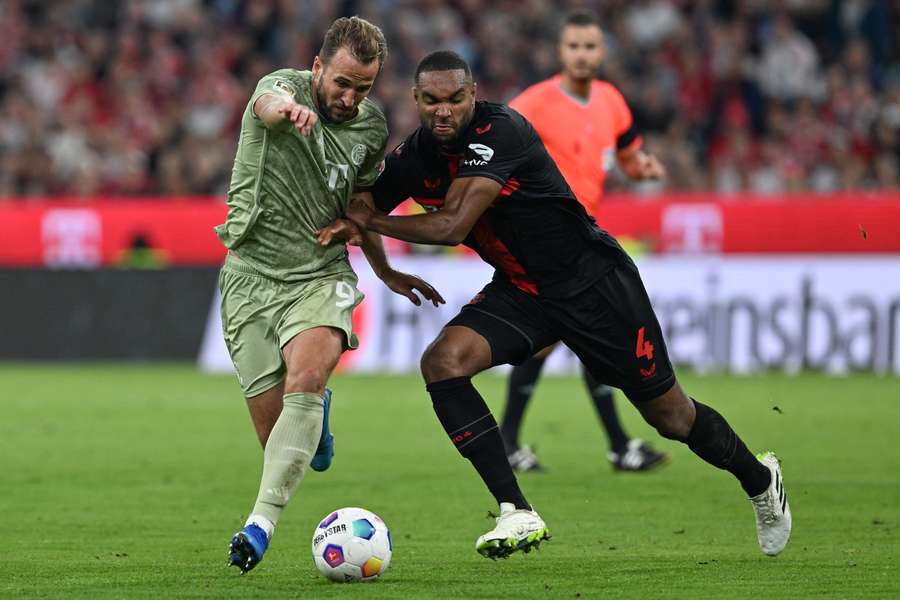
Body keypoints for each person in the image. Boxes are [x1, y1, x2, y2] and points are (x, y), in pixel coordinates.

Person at [327, 50, 791, 559]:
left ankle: (759, 478)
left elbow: (451, 224)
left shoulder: (500, 132)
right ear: (415, 99)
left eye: (455, 99)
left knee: (672, 418)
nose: (444, 111)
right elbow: (362, 208)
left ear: (473, 95)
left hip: (594, 283)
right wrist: (384, 268)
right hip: (524, 291)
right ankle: (516, 510)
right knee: (443, 362)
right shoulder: (414, 158)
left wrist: (371, 224)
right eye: (432, 100)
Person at [217, 17, 443, 573]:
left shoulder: (370, 126)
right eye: (341, 83)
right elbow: (268, 103)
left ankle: (259, 525)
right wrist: (288, 113)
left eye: (362, 87)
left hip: (320, 275)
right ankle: (317, 419)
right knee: (278, 437)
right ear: (318, 68)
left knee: (307, 378)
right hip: (249, 278)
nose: (349, 97)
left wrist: (387, 272)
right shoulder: (283, 89)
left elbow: (362, 210)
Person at [500, 9, 668, 473]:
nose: (581, 55)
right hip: (545, 239)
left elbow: (629, 156)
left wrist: (643, 169)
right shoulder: (534, 103)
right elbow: (491, 144)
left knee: (560, 340)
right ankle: (617, 446)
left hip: (583, 237)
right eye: (573, 46)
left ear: (602, 52)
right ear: (561, 52)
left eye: (589, 47)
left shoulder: (611, 101)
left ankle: (514, 442)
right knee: (598, 334)